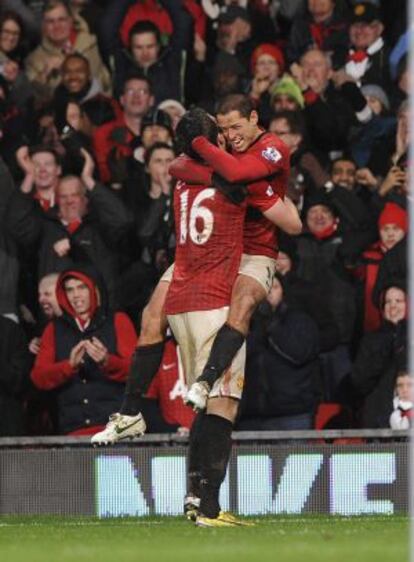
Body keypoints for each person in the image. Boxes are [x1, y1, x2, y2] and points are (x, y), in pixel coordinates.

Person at [30, 267, 138, 435]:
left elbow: (138, 373)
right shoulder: (54, 329)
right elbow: (38, 377)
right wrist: (69, 366)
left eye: (82, 288)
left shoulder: (118, 321)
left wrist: (107, 362)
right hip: (72, 432)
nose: (76, 295)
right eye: (70, 290)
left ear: (95, 290)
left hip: (116, 431)